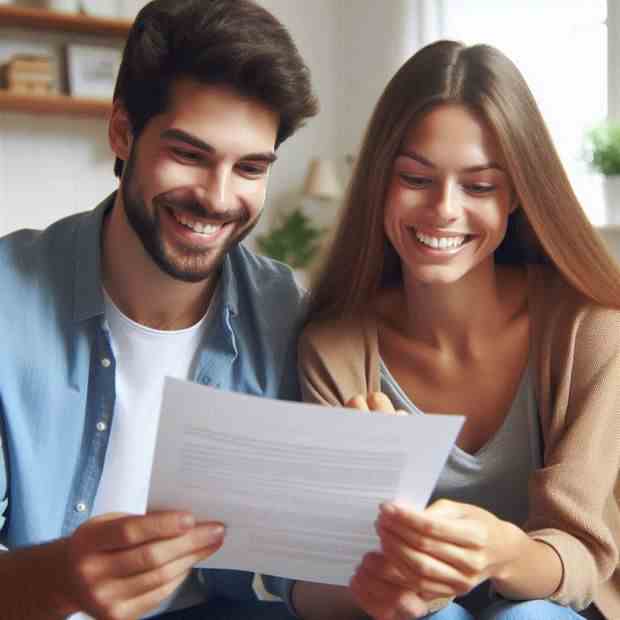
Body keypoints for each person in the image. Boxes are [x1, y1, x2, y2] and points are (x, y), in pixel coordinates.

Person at [0, 0, 318, 618]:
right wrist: (61, 578)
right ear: (123, 132)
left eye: (250, 167)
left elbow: (297, 573)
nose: (218, 198)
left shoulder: (284, 312)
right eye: (190, 155)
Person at [290, 40, 620, 620]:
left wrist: (503, 553)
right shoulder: (334, 348)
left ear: (517, 194)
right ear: (380, 183)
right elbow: (320, 577)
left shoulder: (589, 330)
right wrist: (396, 555)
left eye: (480, 186)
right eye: (416, 178)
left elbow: (581, 558)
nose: (444, 209)